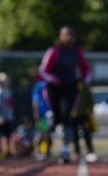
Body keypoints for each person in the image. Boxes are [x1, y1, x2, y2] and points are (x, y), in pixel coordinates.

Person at [38, 25, 92, 164]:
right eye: (66, 34)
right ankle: (45, 149)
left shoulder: (77, 51)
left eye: (71, 35)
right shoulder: (54, 51)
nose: (69, 37)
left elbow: (86, 68)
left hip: (70, 88)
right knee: (52, 119)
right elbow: (43, 70)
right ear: (60, 36)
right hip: (54, 89)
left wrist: (84, 80)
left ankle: (65, 151)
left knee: (67, 118)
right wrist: (53, 79)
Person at [72, 82, 98, 162]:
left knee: (87, 133)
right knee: (75, 134)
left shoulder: (85, 87)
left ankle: (90, 151)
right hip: (74, 115)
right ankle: (76, 151)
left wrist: (91, 112)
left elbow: (90, 100)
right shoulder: (71, 86)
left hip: (84, 114)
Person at [0, 72, 15, 158]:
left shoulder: (8, 91)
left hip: (8, 116)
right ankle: (1, 152)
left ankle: (7, 151)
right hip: (1, 116)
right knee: (1, 135)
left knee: (7, 135)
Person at [31, 76, 54, 159]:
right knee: (43, 133)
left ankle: (45, 151)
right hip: (43, 114)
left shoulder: (47, 85)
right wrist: (36, 112)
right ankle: (41, 151)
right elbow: (35, 100)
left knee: (46, 133)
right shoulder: (39, 86)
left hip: (48, 114)